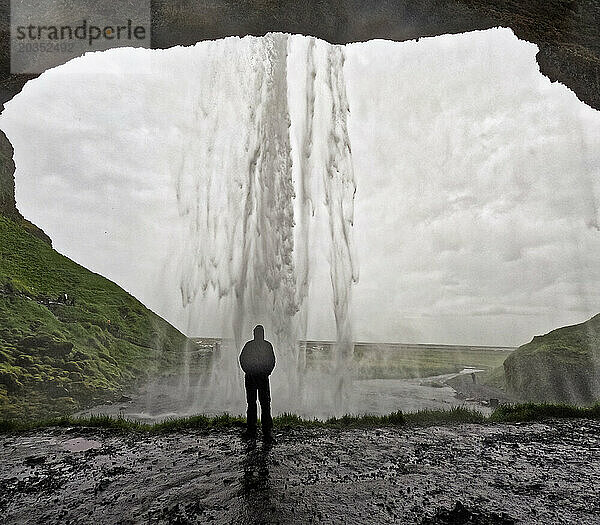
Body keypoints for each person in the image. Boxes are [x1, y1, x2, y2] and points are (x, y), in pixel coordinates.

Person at [239, 325, 276, 443]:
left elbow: (272, 361)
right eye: (257, 333)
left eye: (260, 333)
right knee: (252, 403)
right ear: (254, 334)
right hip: (251, 377)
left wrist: (266, 372)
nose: (258, 335)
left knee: (265, 404)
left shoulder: (267, 346)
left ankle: (266, 431)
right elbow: (242, 359)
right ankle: (251, 429)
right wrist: (248, 371)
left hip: (262, 378)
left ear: (263, 334)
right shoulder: (249, 346)